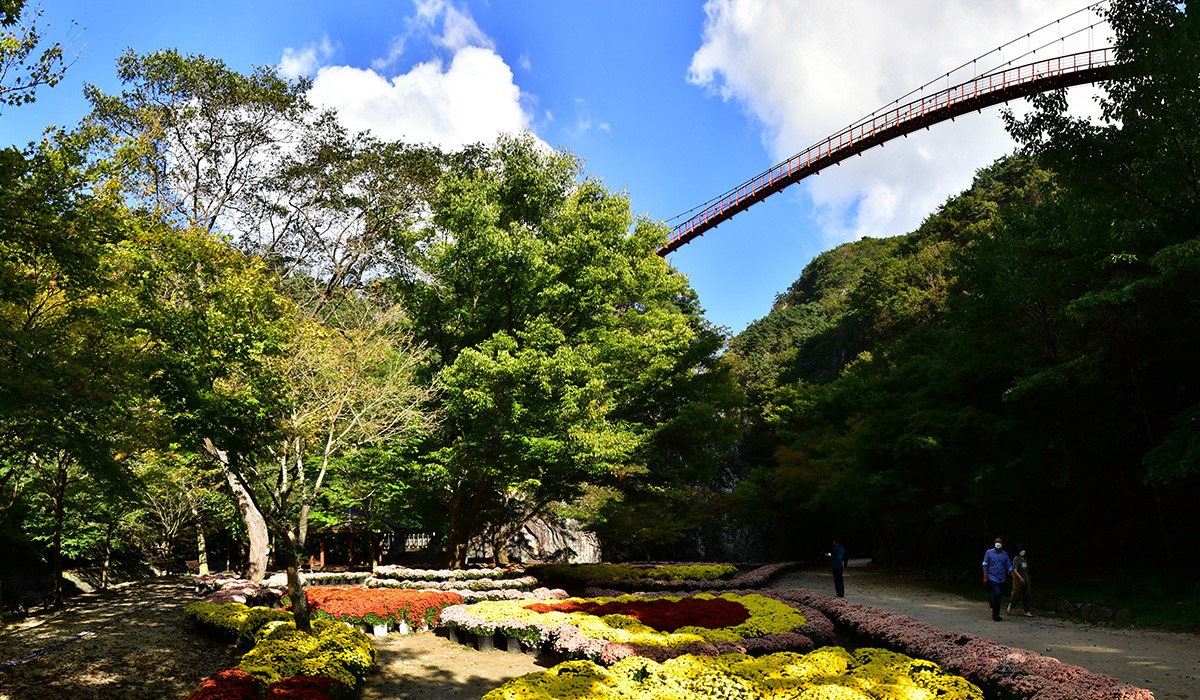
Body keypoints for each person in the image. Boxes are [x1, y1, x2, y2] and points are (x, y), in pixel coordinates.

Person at [981, 536, 1017, 621]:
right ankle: (995, 615)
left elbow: (1009, 566)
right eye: (996, 541)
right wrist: (985, 577)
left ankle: (994, 606)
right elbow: (985, 564)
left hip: (1002, 578)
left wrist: (1013, 576)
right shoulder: (989, 552)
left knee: (999, 596)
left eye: (999, 541)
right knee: (997, 593)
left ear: (1002, 543)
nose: (998, 543)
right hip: (992, 577)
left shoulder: (1004, 554)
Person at [1008, 545, 1033, 617]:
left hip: (1025, 578)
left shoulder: (1025, 559)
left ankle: (1027, 610)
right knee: (1016, 595)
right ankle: (1011, 605)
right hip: (1018, 579)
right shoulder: (1016, 559)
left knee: (1026, 594)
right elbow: (1015, 570)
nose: (1023, 551)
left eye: (1023, 550)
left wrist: (1025, 578)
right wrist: (1020, 578)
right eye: (1021, 550)